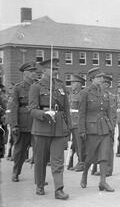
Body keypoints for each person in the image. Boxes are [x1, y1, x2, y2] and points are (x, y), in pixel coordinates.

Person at [28, 58, 70, 199]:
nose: (55, 71)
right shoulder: (36, 87)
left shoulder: (61, 86)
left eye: (57, 69)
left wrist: (68, 127)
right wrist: (43, 114)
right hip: (42, 127)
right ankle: (40, 185)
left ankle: (59, 189)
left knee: (58, 160)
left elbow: (66, 109)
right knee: (40, 159)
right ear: (44, 70)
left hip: (58, 127)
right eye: (53, 69)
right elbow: (31, 109)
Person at [79, 67, 114, 192]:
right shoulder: (85, 93)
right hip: (91, 128)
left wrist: (111, 127)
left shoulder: (105, 93)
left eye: (102, 77)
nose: (101, 79)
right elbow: (82, 113)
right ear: (92, 79)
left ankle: (103, 182)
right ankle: (84, 175)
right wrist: (82, 130)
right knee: (90, 155)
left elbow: (108, 111)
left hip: (104, 127)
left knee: (104, 155)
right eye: (99, 77)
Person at [9, 62, 37, 181]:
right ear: (25, 74)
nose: (34, 73)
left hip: (37, 123)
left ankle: (39, 176)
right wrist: (14, 125)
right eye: (32, 72)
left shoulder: (38, 86)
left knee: (39, 151)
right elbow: (14, 107)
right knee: (19, 151)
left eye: (34, 71)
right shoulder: (18, 88)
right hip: (23, 124)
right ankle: (16, 172)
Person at [67, 74, 86, 171]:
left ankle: (82, 162)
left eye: (74, 83)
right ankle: (79, 161)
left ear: (79, 84)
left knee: (80, 144)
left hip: (78, 123)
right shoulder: (72, 94)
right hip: (72, 123)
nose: (72, 85)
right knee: (74, 144)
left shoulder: (82, 94)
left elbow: (82, 111)